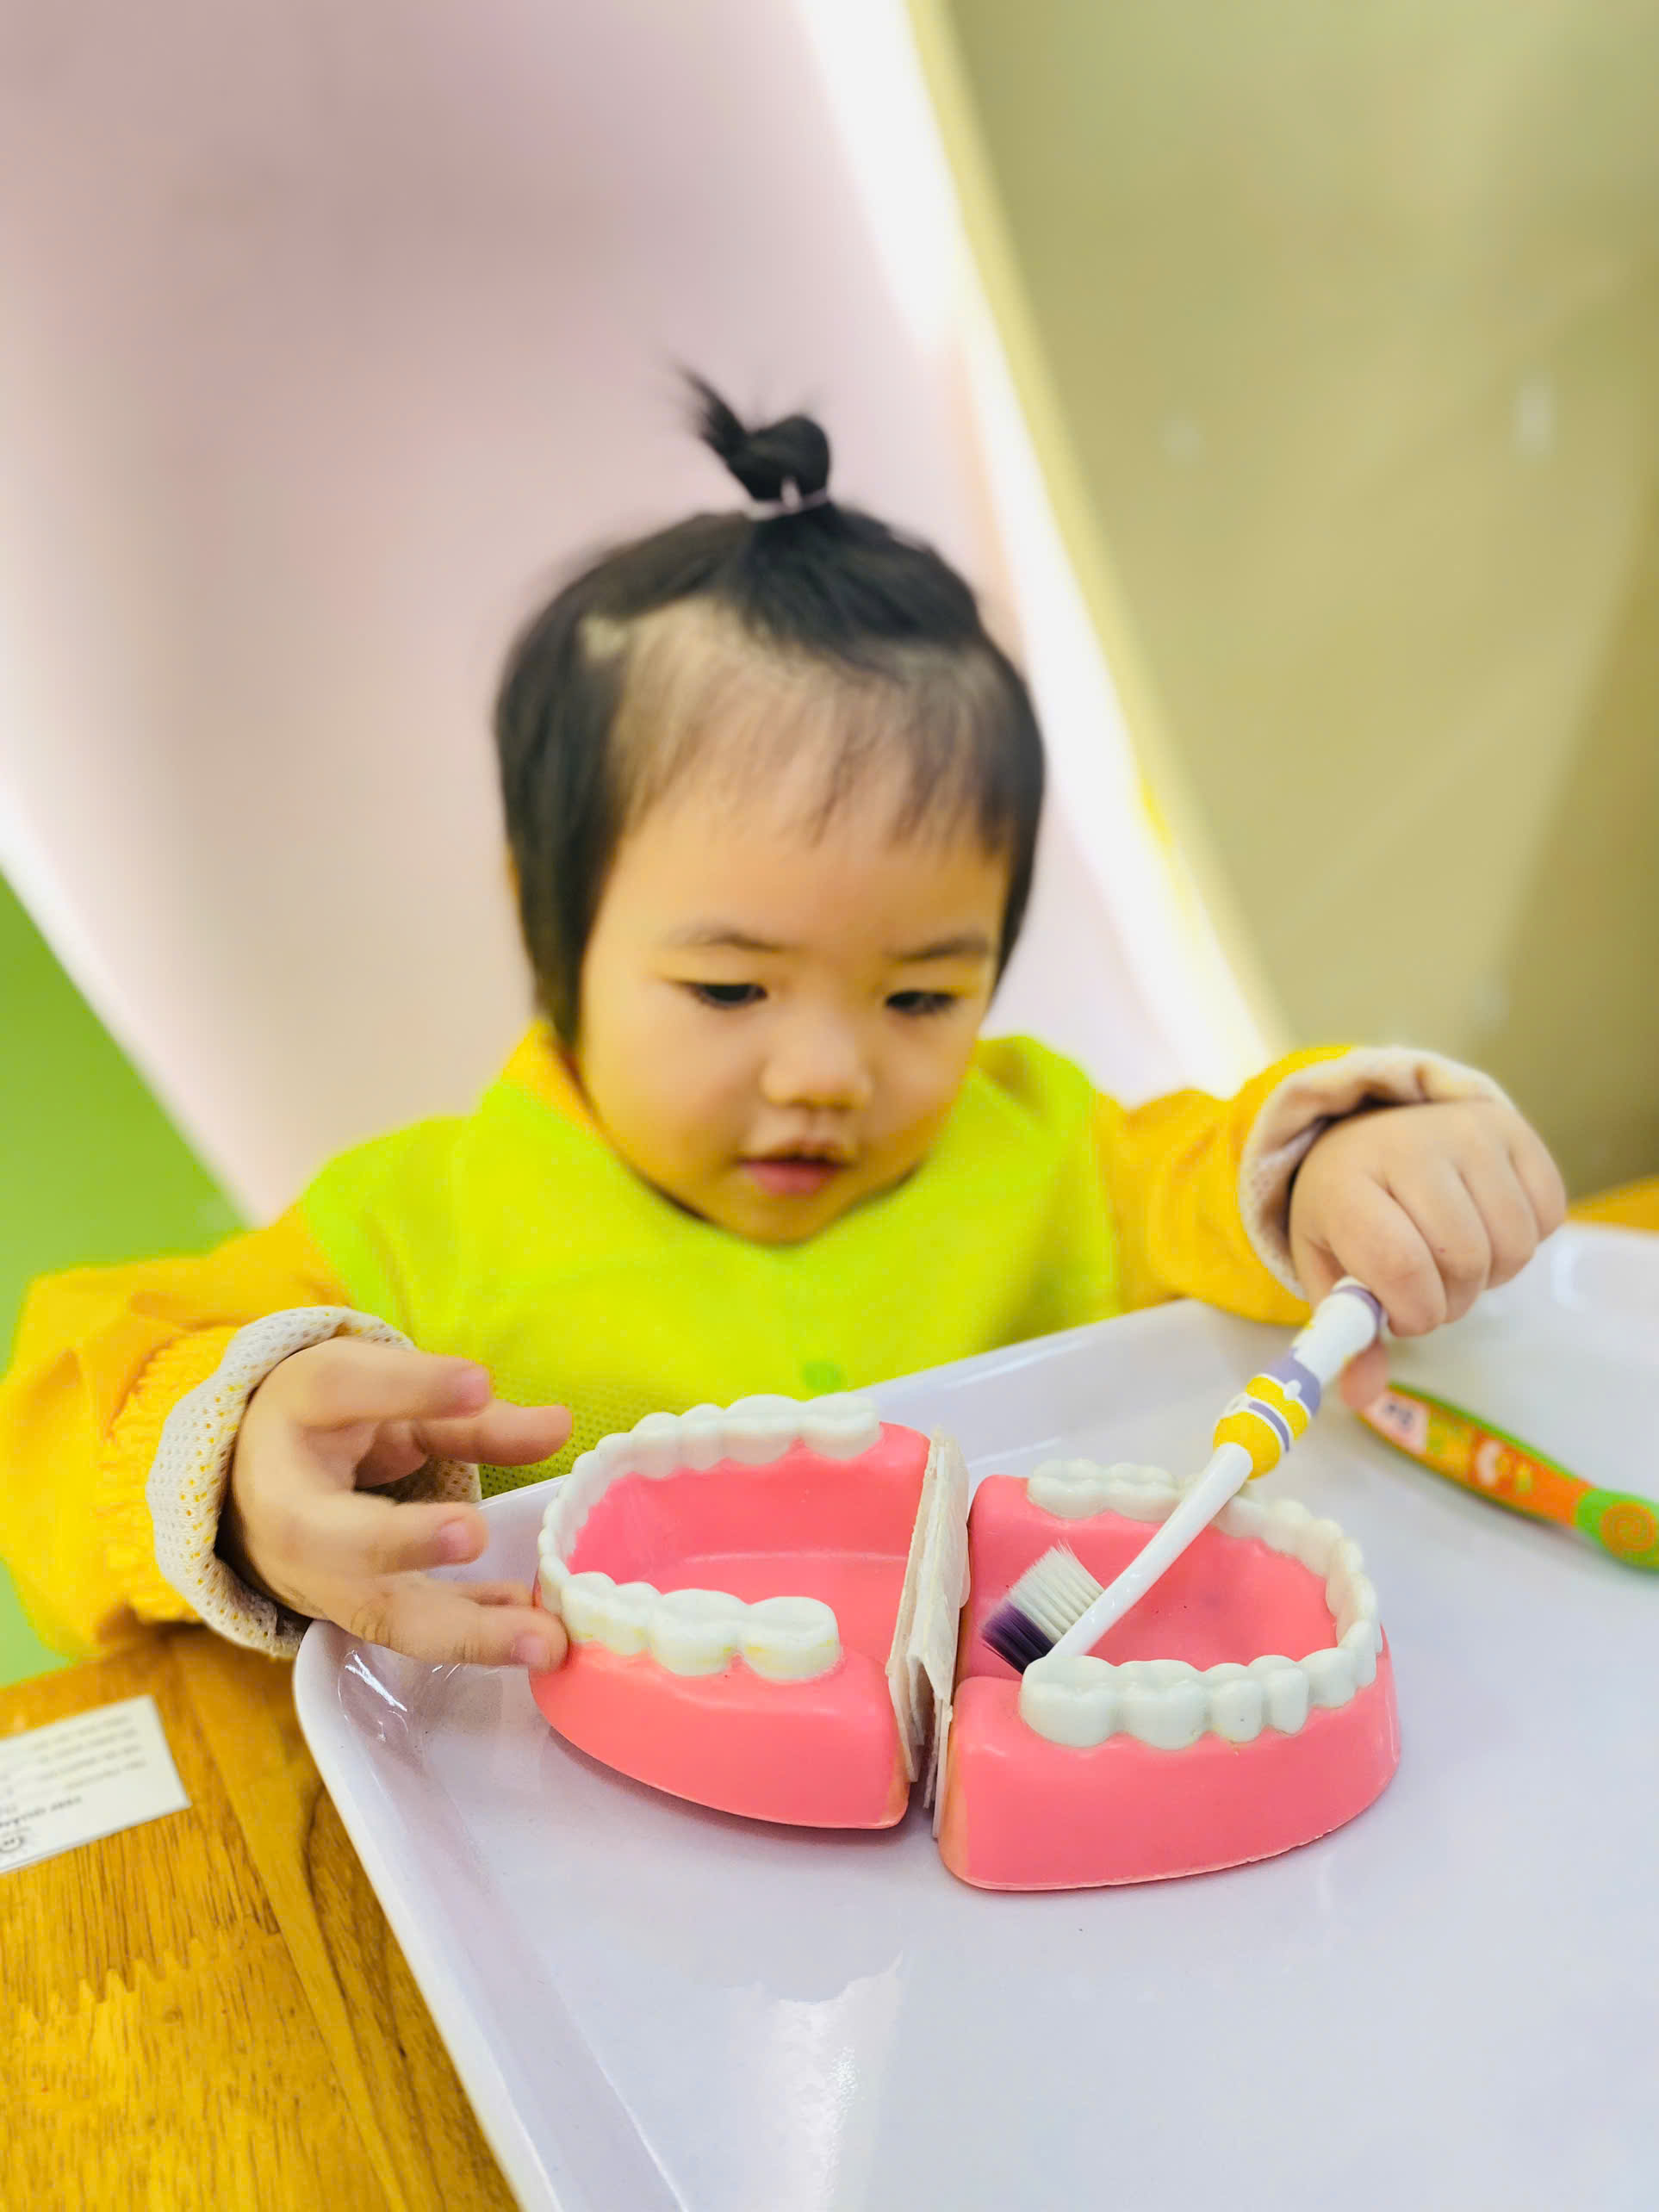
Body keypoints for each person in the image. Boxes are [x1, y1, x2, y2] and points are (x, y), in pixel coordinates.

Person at [0, 380, 1566, 1678]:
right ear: (555, 931)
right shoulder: (411, 1242)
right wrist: (243, 1456)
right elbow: (66, 1421)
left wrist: (1347, 1162)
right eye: (730, 989)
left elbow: (1220, 1184)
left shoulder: (1048, 1154)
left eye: (921, 995)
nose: (827, 1074)